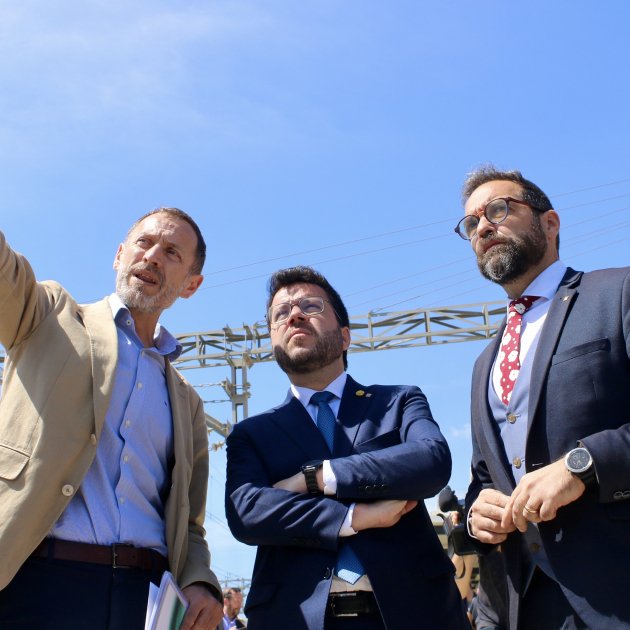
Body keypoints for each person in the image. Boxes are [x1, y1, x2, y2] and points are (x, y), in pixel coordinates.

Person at [0, 208, 223, 629]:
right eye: (144, 243)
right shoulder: (48, 314)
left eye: (172, 253)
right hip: (35, 581)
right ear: (119, 255)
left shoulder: (187, 402)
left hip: (145, 597)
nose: (152, 256)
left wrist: (200, 581)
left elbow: (190, 524)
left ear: (191, 285)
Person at [225, 266, 468, 629]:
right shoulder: (252, 434)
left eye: (311, 306)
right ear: (273, 342)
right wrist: (352, 517)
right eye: (280, 313)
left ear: (344, 336)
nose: (294, 315)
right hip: (296, 619)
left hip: (415, 613)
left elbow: (430, 461)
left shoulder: (398, 402)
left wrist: (317, 477)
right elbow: (247, 512)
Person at [456, 166, 630, 629]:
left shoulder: (618, 293)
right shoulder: (483, 364)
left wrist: (582, 465)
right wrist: (477, 514)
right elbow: (484, 476)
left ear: (549, 223)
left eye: (498, 209)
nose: (483, 227)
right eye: (472, 223)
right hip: (523, 605)